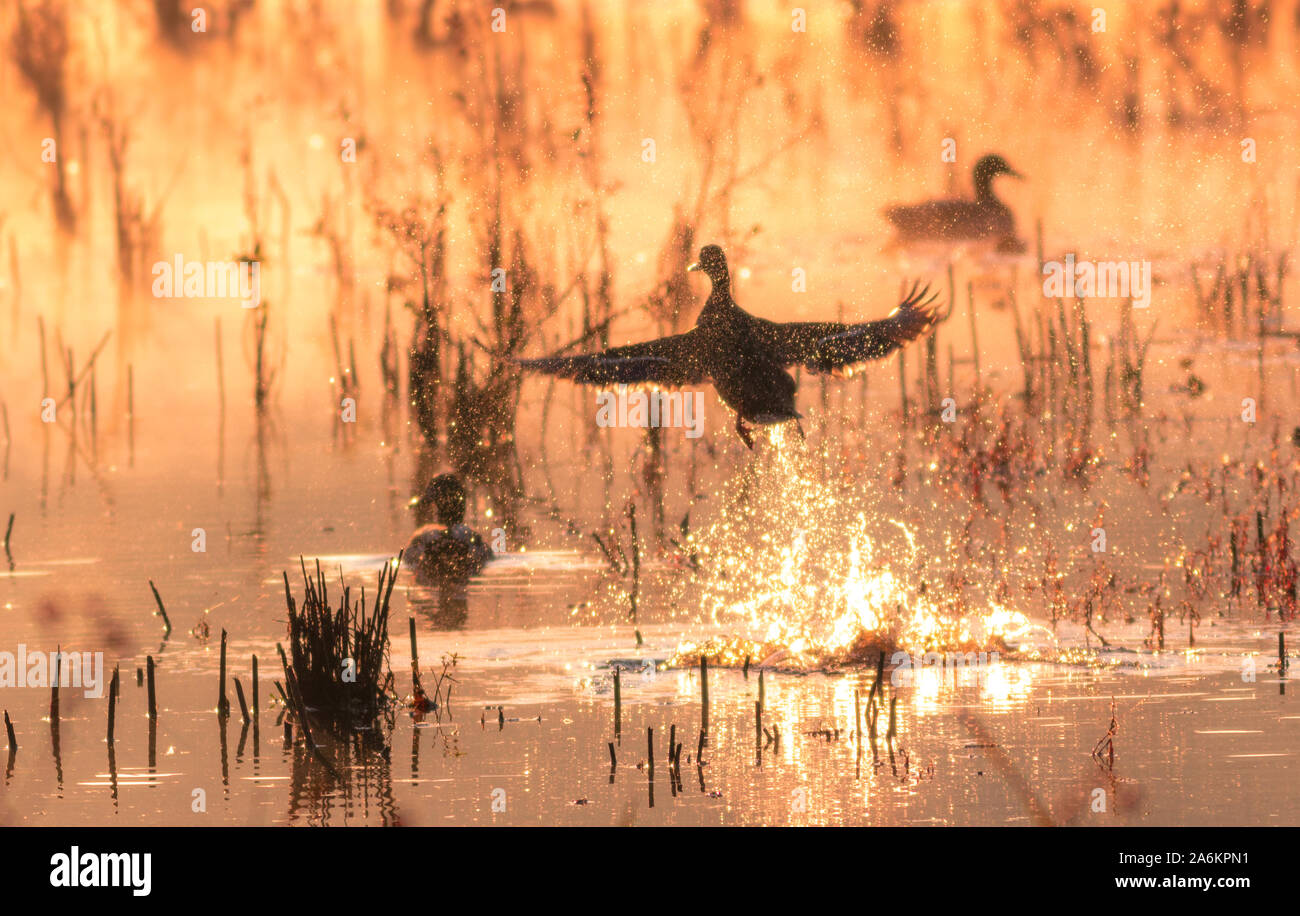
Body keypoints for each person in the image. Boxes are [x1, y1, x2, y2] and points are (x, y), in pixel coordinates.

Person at [405, 474, 494, 584]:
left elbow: (409, 560)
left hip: (431, 560)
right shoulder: (472, 537)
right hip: (464, 558)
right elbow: (487, 558)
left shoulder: (422, 536)